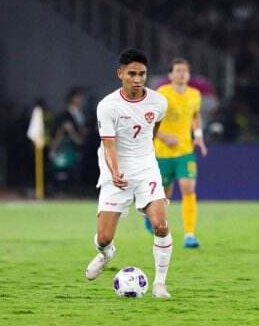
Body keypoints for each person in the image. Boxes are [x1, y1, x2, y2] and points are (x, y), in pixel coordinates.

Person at [85, 48, 173, 298]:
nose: (137, 79)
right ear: (120, 73)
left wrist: (146, 159)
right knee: (103, 236)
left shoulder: (158, 102)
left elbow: (152, 132)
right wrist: (115, 172)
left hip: (146, 168)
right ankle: (106, 253)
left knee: (160, 225)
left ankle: (160, 284)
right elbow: (109, 145)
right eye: (132, 73)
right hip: (116, 172)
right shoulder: (108, 106)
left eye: (142, 74)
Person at [146, 58, 207, 248]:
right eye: (178, 71)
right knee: (165, 194)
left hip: (185, 152)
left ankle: (189, 234)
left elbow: (195, 116)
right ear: (171, 75)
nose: (181, 74)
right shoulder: (162, 94)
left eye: (185, 71)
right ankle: (152, 217)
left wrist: (198, 136)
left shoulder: (195, 95)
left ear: (188, 75)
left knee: (188, 188)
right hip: (163, 153)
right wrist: (163, 137)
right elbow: (149, 121)